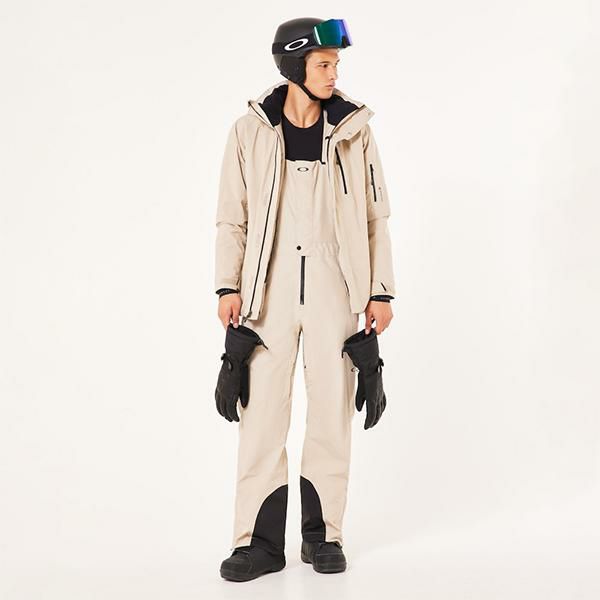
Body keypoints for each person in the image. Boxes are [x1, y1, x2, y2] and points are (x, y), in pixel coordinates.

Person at [213, 17, 396, 582]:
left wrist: (380, 291)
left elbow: (375, 218)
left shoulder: (354, 133)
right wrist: (228, 285)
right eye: (323, 64)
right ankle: (258, 544)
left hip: (335, 290)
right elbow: (232, 217)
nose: (333, 73)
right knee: (261, 417)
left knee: (331, 413)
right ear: (294, 66)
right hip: (265, 295)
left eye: (336, 64)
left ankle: (323, 537)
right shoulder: (249, 132)